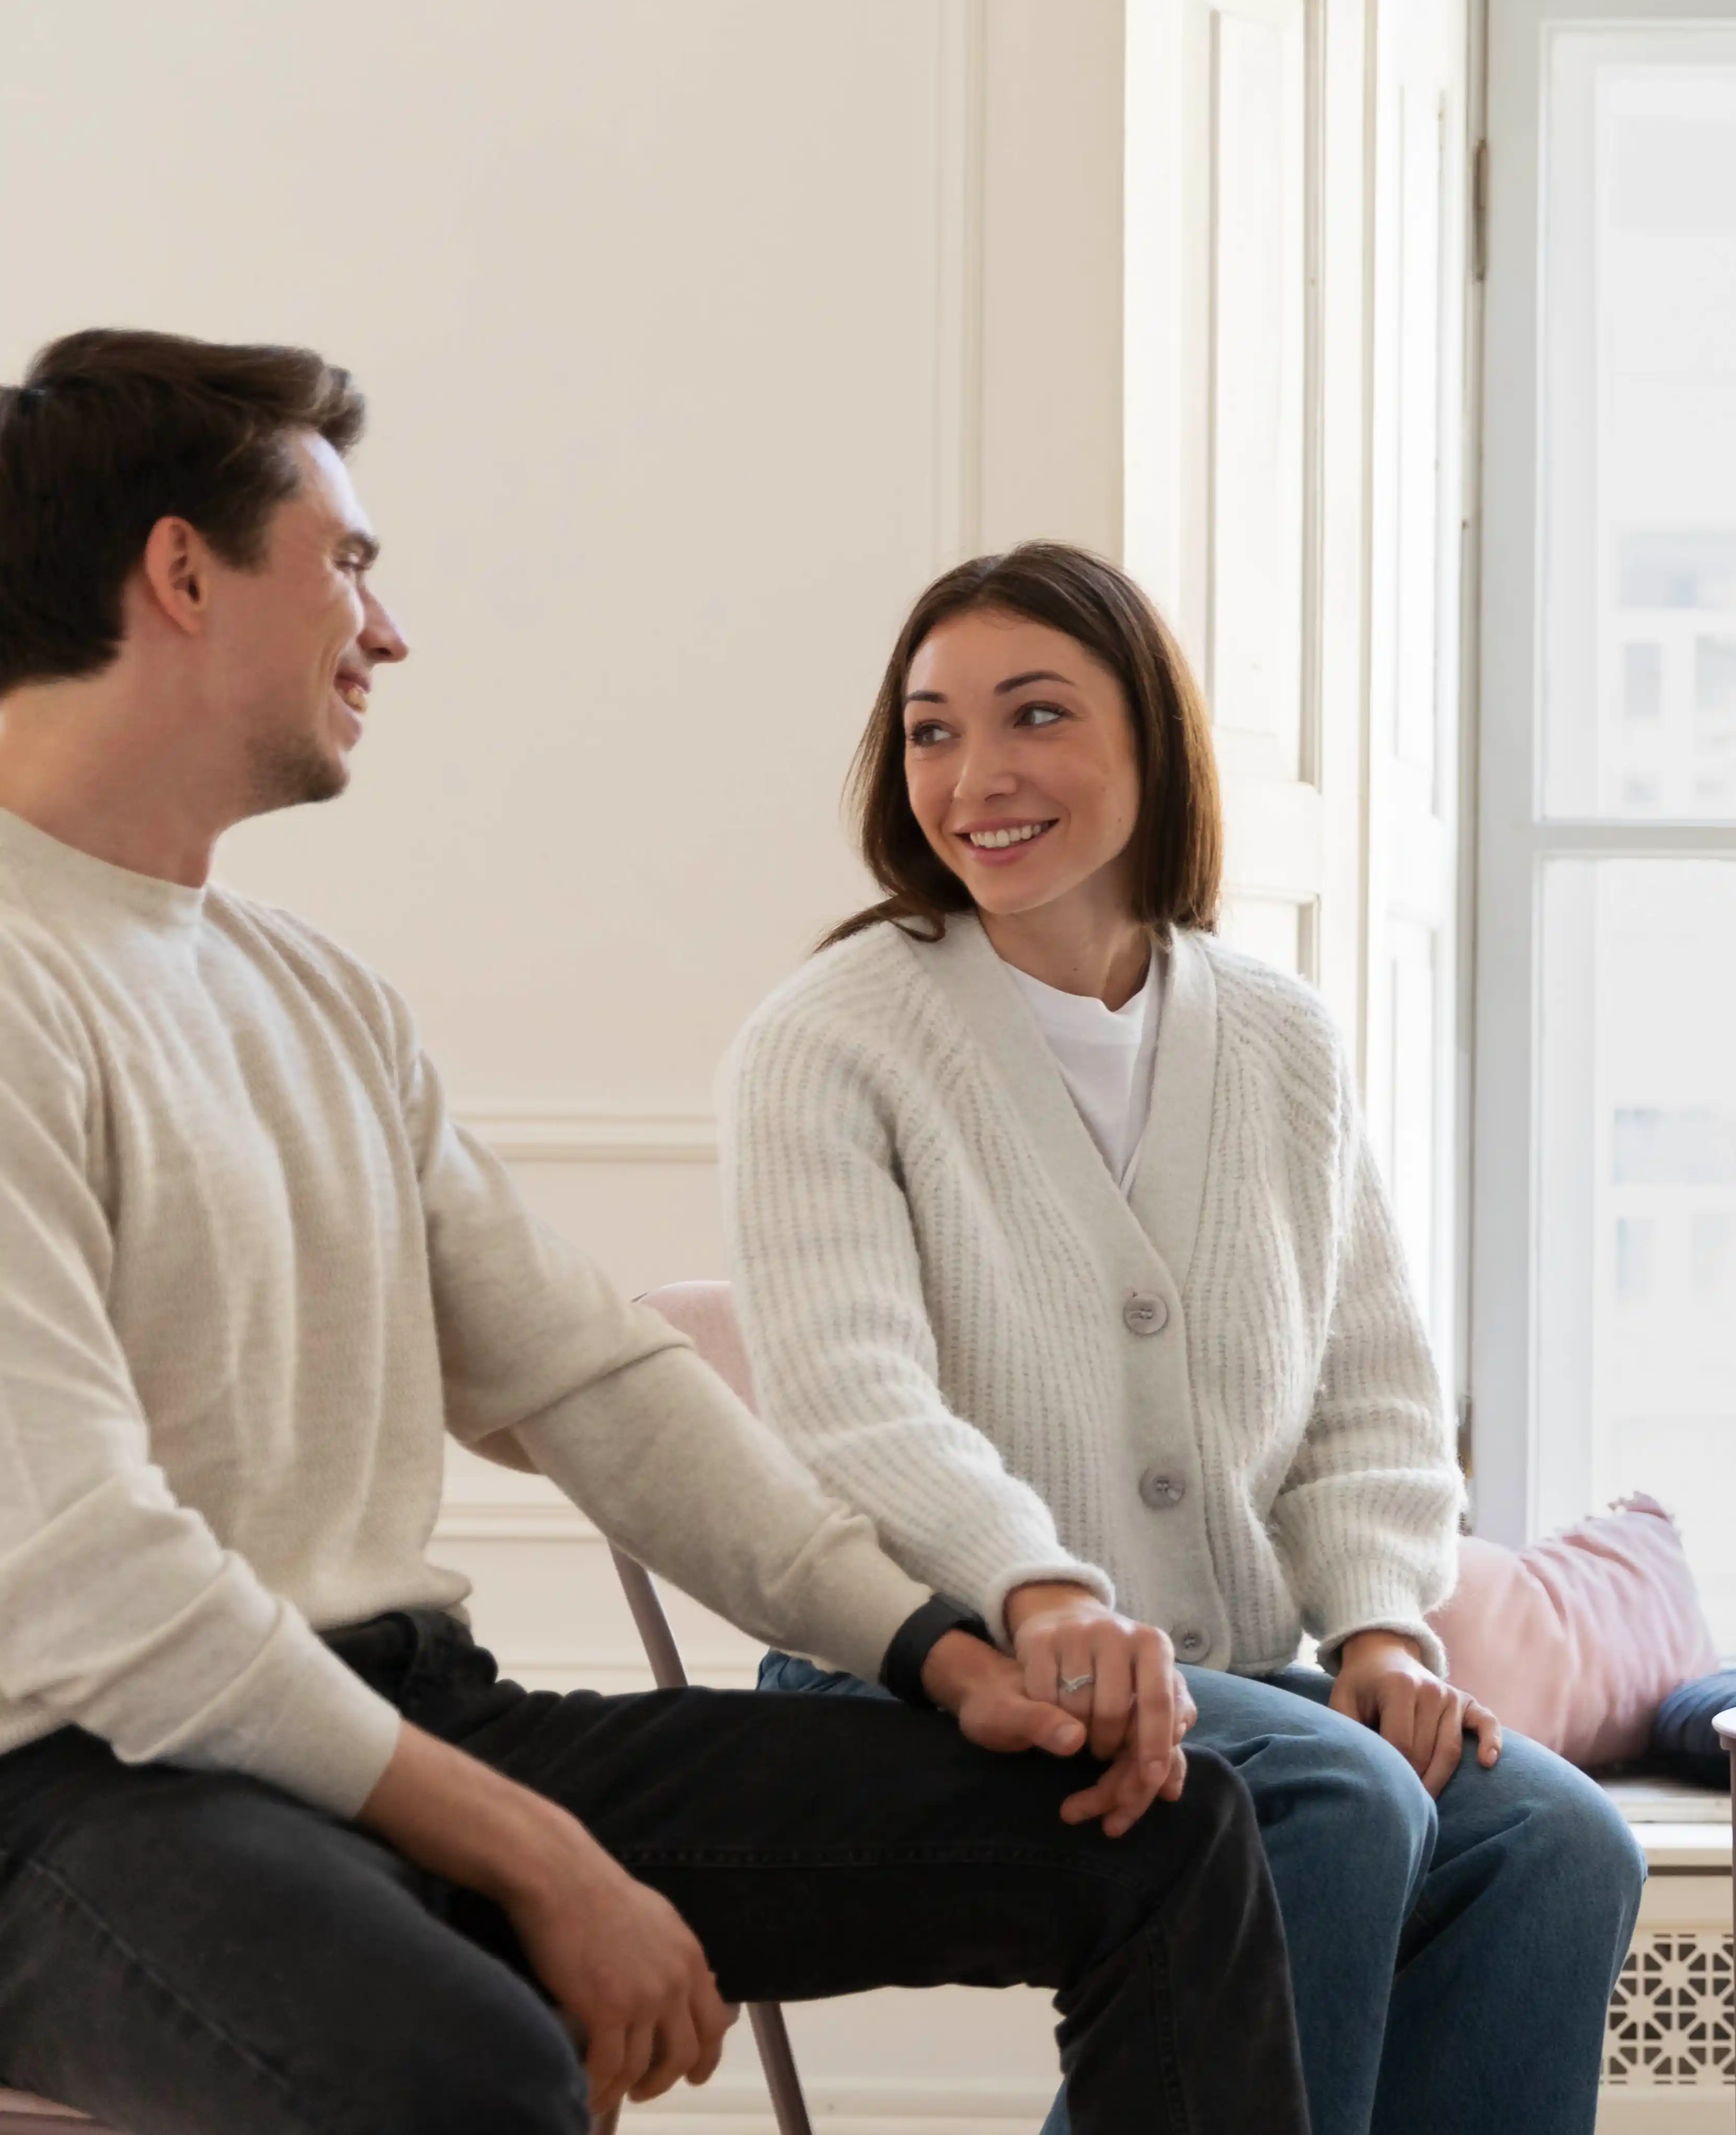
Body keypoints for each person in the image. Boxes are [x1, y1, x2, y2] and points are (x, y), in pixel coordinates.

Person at [0, 330, 1310, 2135]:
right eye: (351, 566)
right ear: (180, 573)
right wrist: (547, 1861)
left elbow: (594, 1384)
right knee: (465, 2063)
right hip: (85, 1790)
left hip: (409, 1717)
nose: (387, 633)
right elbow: (90, 1588)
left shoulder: (318, 997)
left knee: (1156, 1830)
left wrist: (944, 1650)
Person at [723, 540, 1643, 2135]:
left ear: (1154, 738)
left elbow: (1371, 1398)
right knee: (1330, 1802)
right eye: (932, 731)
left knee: (1557, 1845)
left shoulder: (1280, 1040)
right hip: (919, 1680)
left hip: (1229, 1680)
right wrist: (1039, 1586)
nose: (976, 776)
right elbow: (850, 1407)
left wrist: (1379, 1630)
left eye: (1034, 717)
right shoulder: (830, 1040)